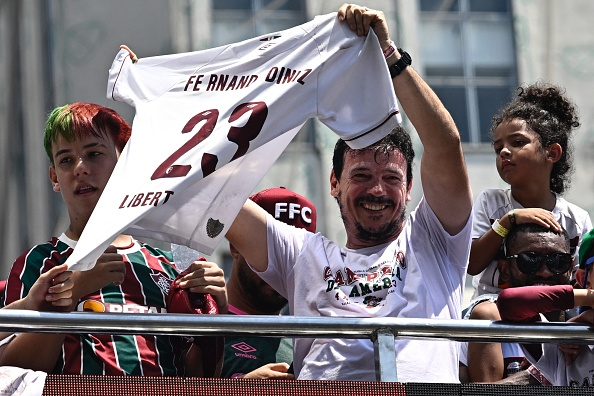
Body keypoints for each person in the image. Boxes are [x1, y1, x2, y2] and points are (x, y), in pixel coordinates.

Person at [226, 4, 473, 382]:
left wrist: (389, 55)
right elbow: (219, 195)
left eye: (391, 178)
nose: (377, 189)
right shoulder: (303, 255)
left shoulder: (434, 242)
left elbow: (445, 144)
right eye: (360, 174)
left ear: (409, 189)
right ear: (334, 183)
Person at [0, 102, 227, 377]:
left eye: (94, 154)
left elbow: (203, 377)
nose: (80, 169)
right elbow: (13, 373)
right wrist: (71, 294)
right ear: (54, 177)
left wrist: (217, 308)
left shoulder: (167, 268)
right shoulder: (38, 263)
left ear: (126, 166)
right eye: (66, 160)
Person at [468, 82, 592, 300]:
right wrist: (509, 220)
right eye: (498, 149)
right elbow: (471, 263)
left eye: (517, 142)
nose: (505, 151)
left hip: (553, 317)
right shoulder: (491, 203)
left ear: (552, 152)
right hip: (494, 315)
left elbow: (583, 280)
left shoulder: (577, 219)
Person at [223, 186, 316, 380]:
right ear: (235, 247)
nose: (279, 268)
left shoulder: (311, 339)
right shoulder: (189, 322)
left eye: (292, 257)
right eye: (268, 253)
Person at [461, 223, 573, 384]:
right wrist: (544, 370)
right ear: (505, 270)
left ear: (570, 267)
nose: (544, 272)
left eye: (557, 261)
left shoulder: (582, 321)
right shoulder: (489, 317)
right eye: (529, 260)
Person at [497, 227, 594, 387]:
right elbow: (510, 303)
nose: (545, 272)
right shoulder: (567, 345)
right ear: (584, 278)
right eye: (530, 259)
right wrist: (588, 297)